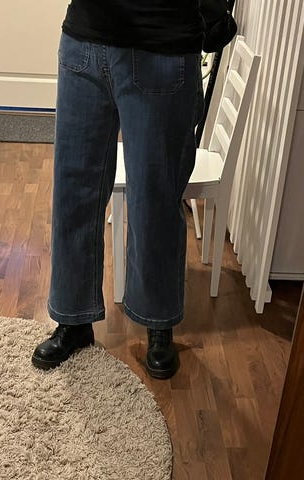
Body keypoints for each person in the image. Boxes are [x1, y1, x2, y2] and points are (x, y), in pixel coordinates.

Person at [31, 1, 205, 379]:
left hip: (161, 43)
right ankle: (74, 319)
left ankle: (158, 320)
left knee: (154, 200)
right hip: (84, 38)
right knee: (73, 193)